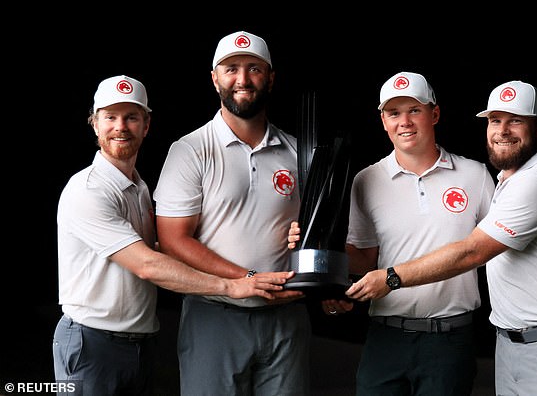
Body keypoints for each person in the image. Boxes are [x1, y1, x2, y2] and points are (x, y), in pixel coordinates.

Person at [345, 80, 537, 395]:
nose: (503, 130)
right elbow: (363, 255)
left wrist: (391, 278)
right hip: (510, 342)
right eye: (496, 120)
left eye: (517, 120)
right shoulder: (508, 182)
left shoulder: (532, 182)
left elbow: (473, 252)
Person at [53, 75, 294, 396]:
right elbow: (148, 265)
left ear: (146, 125)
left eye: (132, 117)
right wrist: (233, 285)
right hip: (92, 341)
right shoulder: (88, 190)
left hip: (138, 341)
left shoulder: (138, 187)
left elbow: (153, 250)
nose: (120, 126)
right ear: (94, 124)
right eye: (110, 117)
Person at [289, 71, 495, 395]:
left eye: (414, 110)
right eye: (394, 113)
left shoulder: (475, 175)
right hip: (386, 337)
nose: (405, 122)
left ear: (435, 114)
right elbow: (365, 260)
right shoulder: (366, 180)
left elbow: (492, 250)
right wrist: (317, 249)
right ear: (383, 120)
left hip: (450, 338)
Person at [152, 31, 309, 396]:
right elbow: (174, 241)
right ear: (214, 78)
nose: (242, 79)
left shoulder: (300, 152)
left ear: (270, 78)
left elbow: (318, 230)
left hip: (286, 318)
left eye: (254, 69)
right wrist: (246, 279)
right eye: (231, 69)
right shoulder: (191, 150)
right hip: (215, 315)